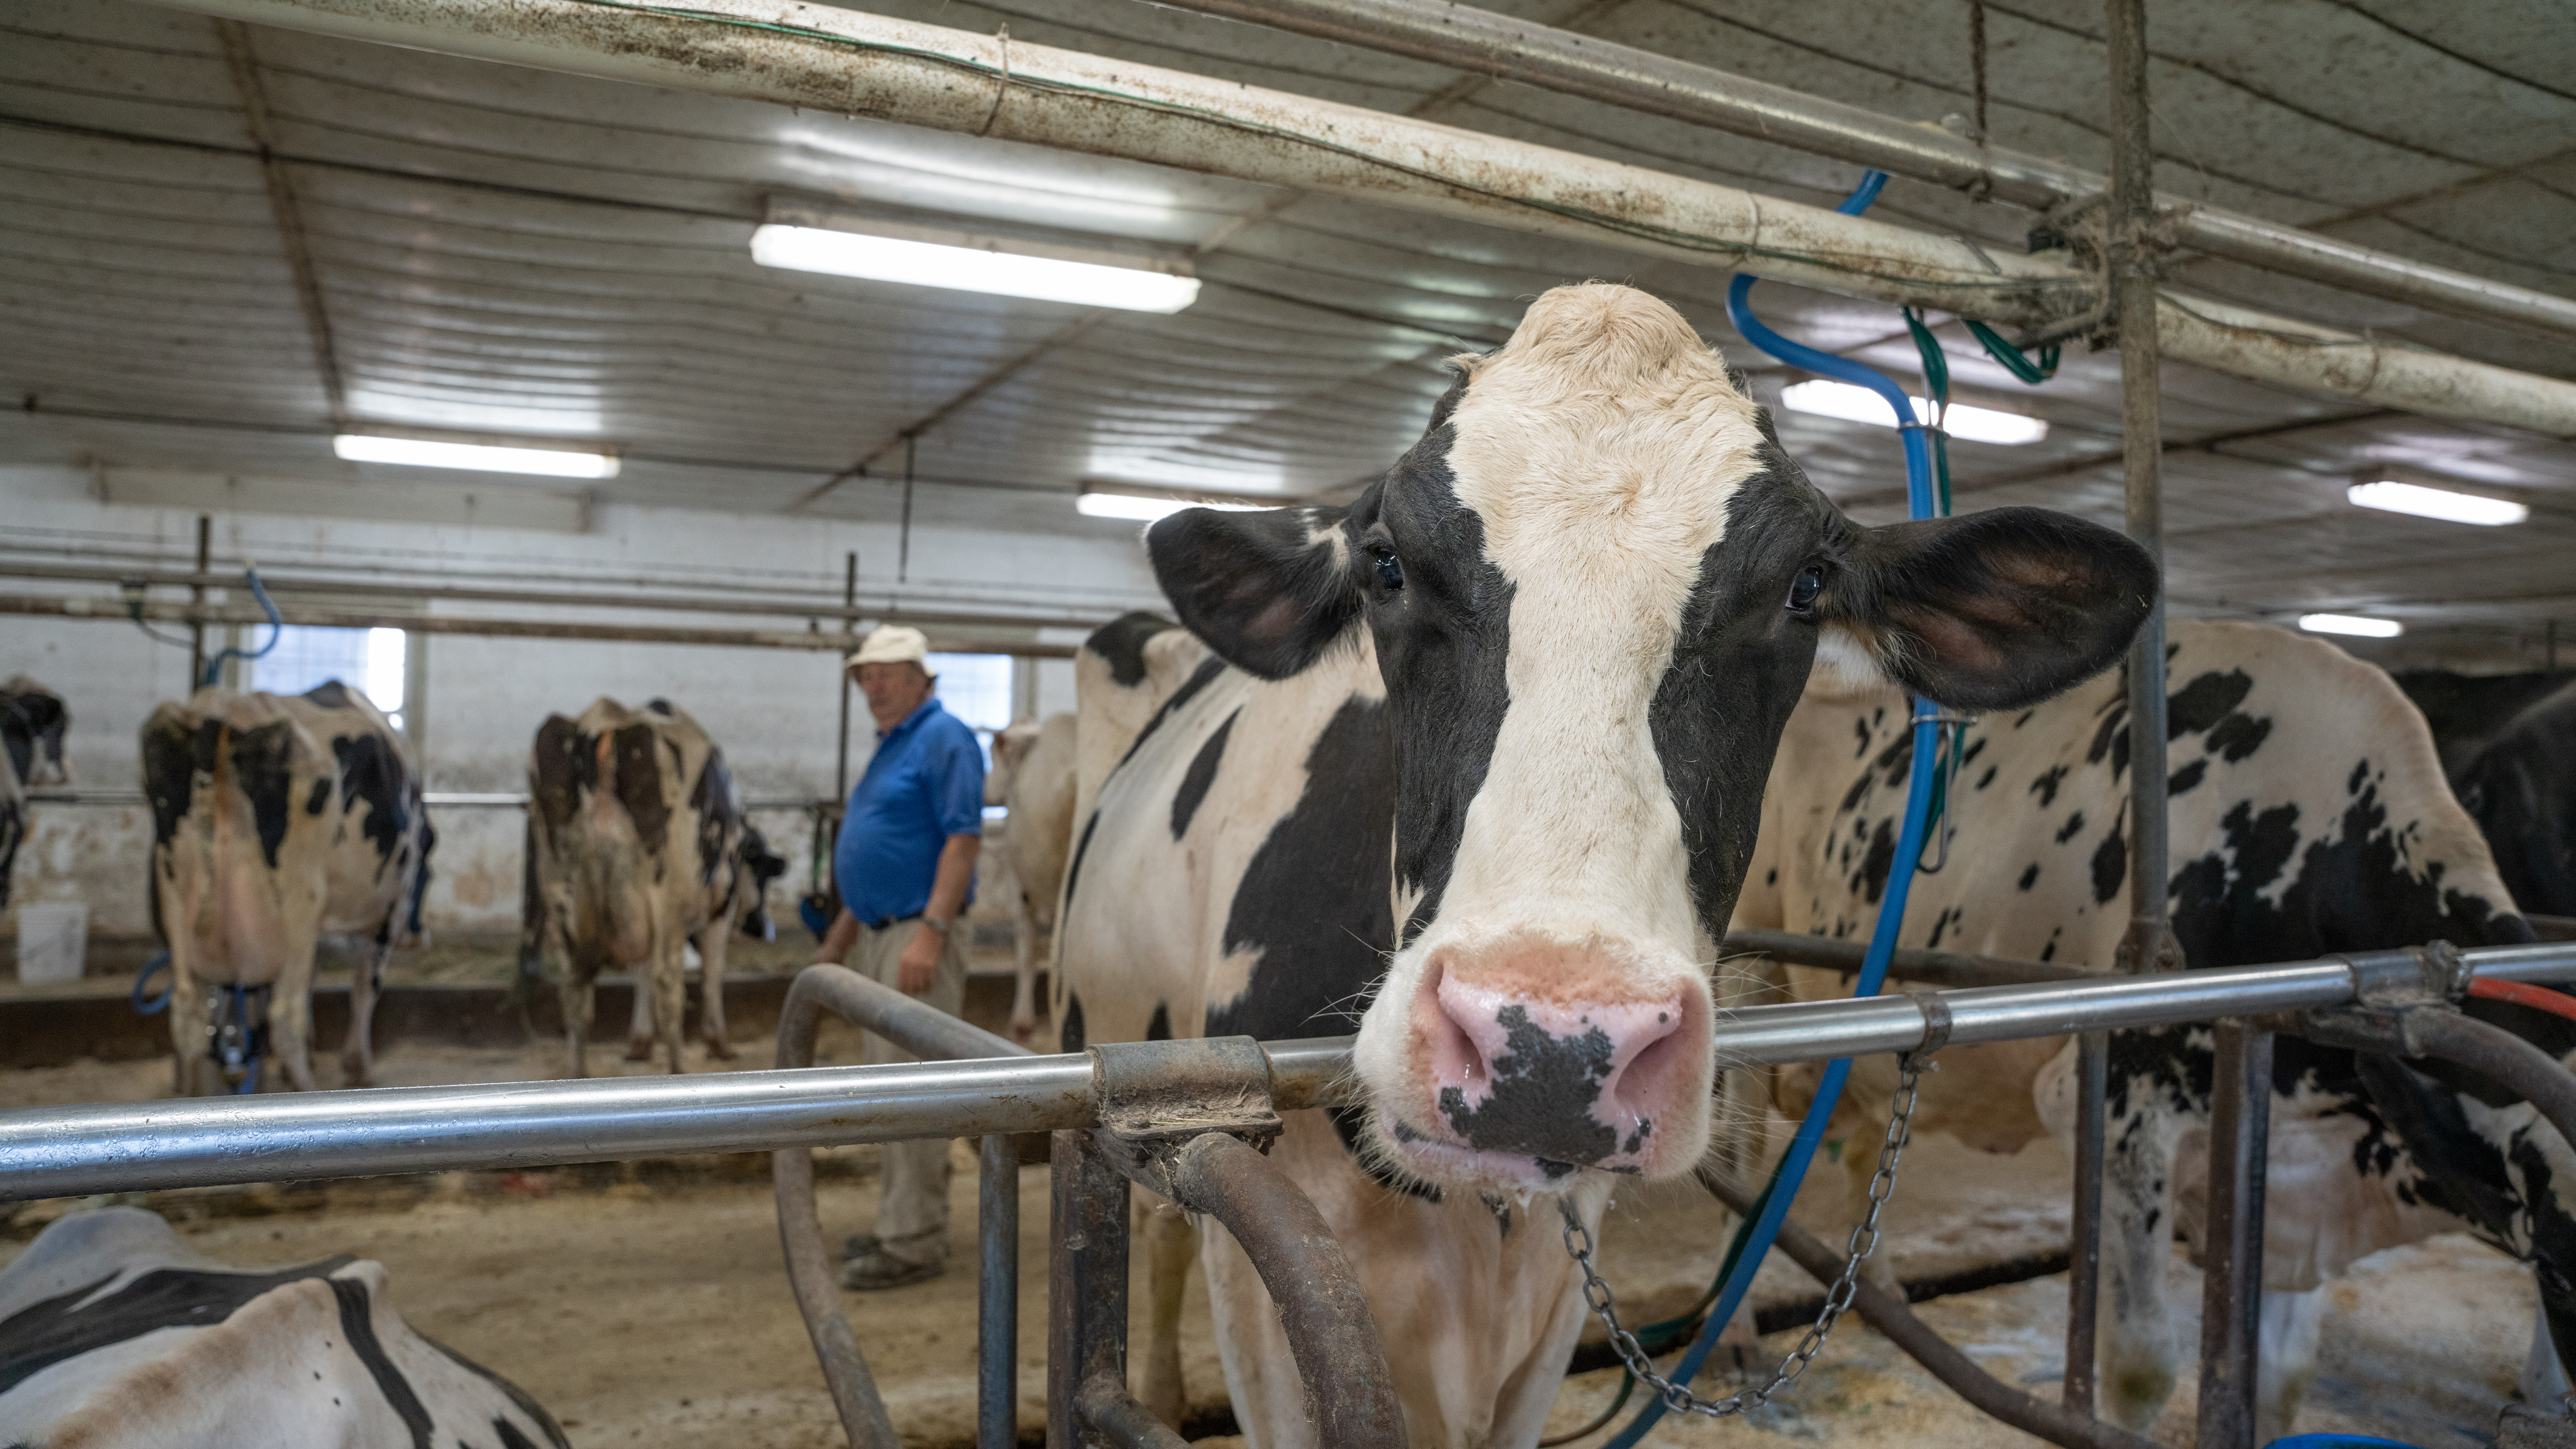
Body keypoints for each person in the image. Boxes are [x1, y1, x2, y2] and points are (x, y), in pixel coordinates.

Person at [818, 625, 985, 1289]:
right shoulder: (896, 746)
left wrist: (932, 932)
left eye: (886, 673)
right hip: (881, 935)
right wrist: (837, 941)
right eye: (865, 675)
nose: (873, 685)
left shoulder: (946, 738)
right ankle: (904, 1219)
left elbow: (962, 841)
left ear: (921, 678)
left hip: (918, 939)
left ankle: (912, 1239)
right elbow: (881, 850)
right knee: (890, 1089)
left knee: (912, 1092)